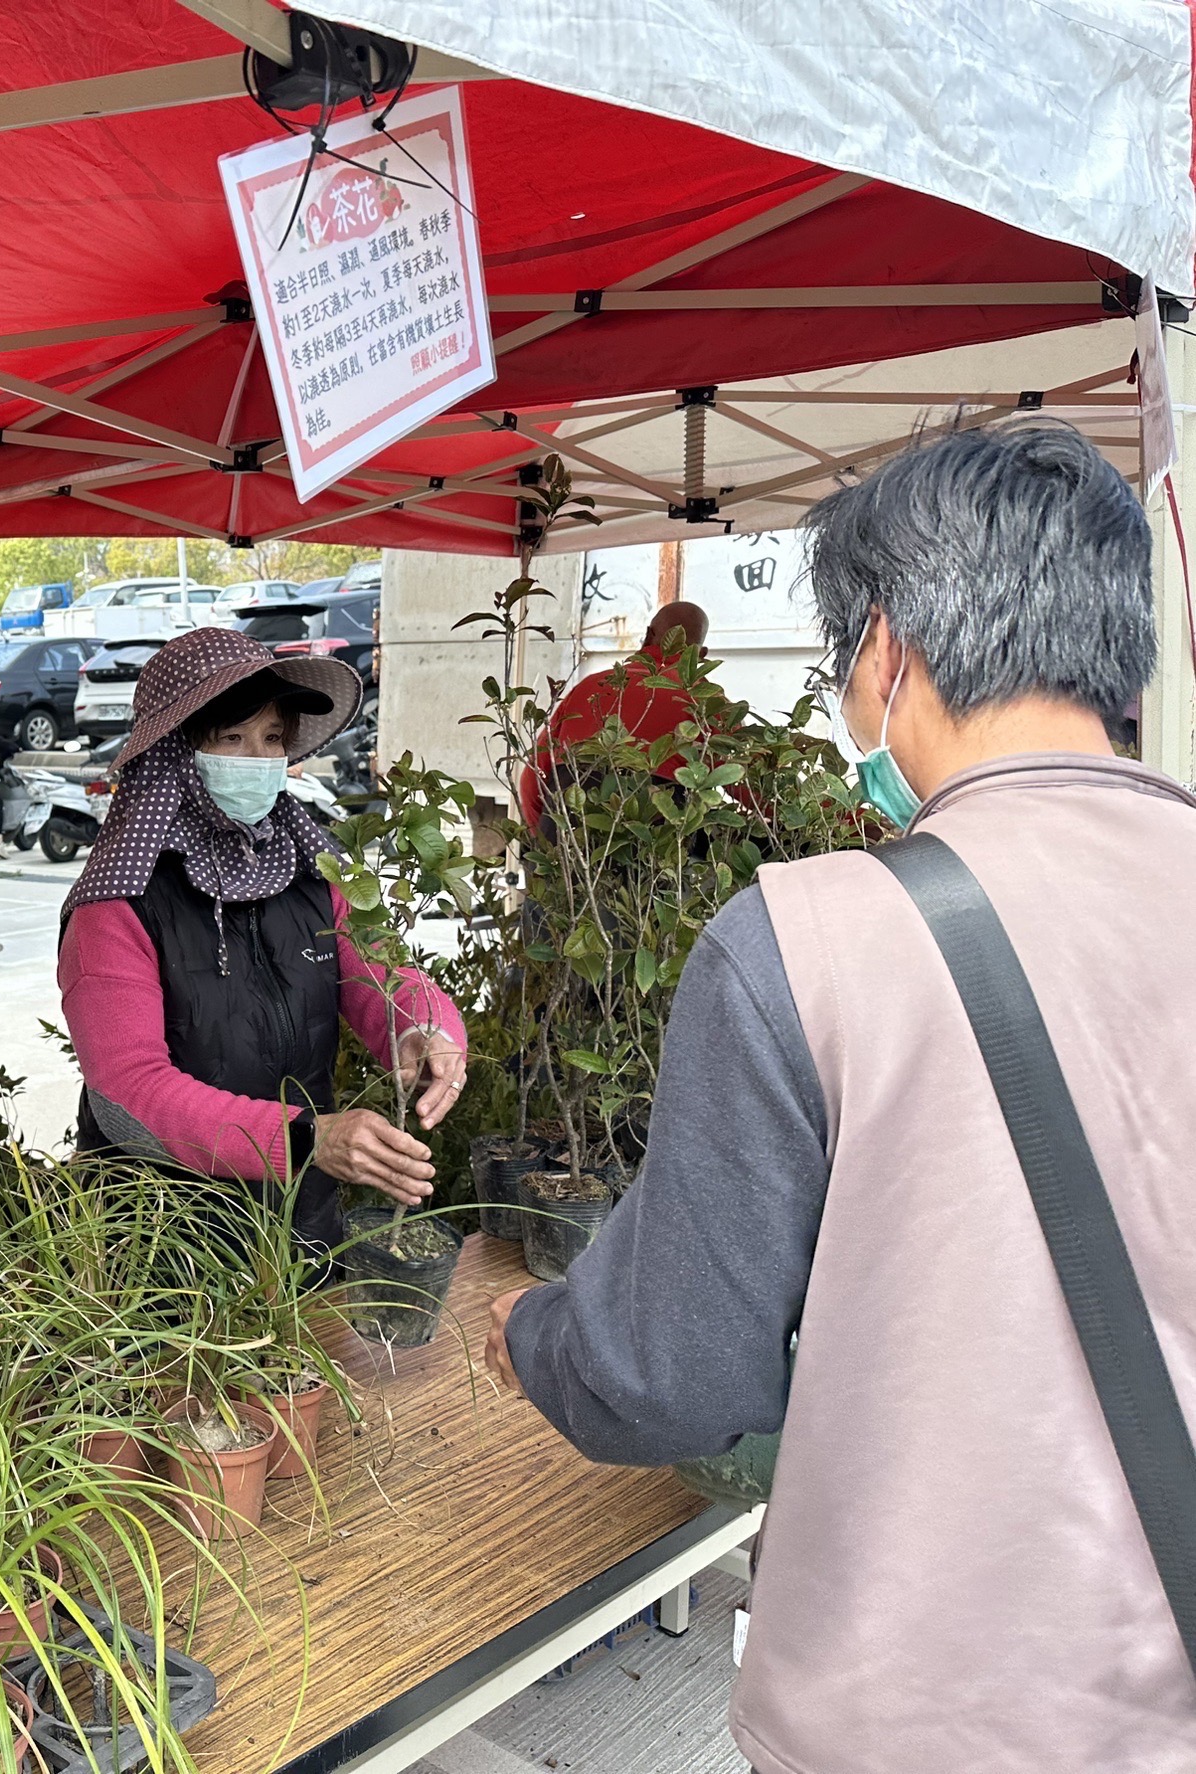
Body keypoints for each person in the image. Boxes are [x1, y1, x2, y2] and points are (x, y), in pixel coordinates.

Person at [483, 423, 1196, 1770]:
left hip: (909, 1713)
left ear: (884, 650)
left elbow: (669, 1376)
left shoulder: (803, 943)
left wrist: (535, 1333)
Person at [57, 627, 468, 1255]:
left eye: (272, 738)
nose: (258, 758)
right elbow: (127, 1096)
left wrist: (423, 1029)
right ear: (174, 751)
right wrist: (307, 1139)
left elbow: (385, 975)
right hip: (161, 1242)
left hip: (301, 1218)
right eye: (231, 738)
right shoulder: (117, 903)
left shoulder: (309, 868)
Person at [516, 599, 711, 830]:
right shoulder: (705, 702)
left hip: (566, 833)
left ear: (648, 636)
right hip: (651, 843)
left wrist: (543, 839)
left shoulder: (589, 687)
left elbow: (532, 779)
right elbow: (746, 785)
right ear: (701, 655)